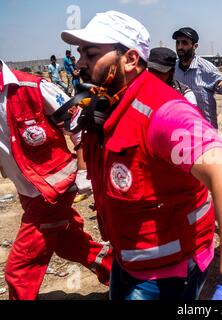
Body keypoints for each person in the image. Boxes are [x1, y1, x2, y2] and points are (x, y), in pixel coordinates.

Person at [61, 10, 222, 301]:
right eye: (80, 54)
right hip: (128, 258)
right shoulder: (110, 107)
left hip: (167, 272)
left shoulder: (162, 112)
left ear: (129, 59)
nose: (79, 64)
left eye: (90, 54)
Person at [0, 59, 112, 300]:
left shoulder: (33, 87)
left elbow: (80, 124)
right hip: (27, 190)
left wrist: (84, 169)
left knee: (19, 270)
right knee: (69, 243)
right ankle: (120, 273)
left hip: (52, 189)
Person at [172, 27, 222, 131]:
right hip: (181, 132)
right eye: (177, 43)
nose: (180, 47)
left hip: (206, 135)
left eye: (184, 43)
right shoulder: (173, 69)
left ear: (195, 46)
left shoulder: (207, 69)